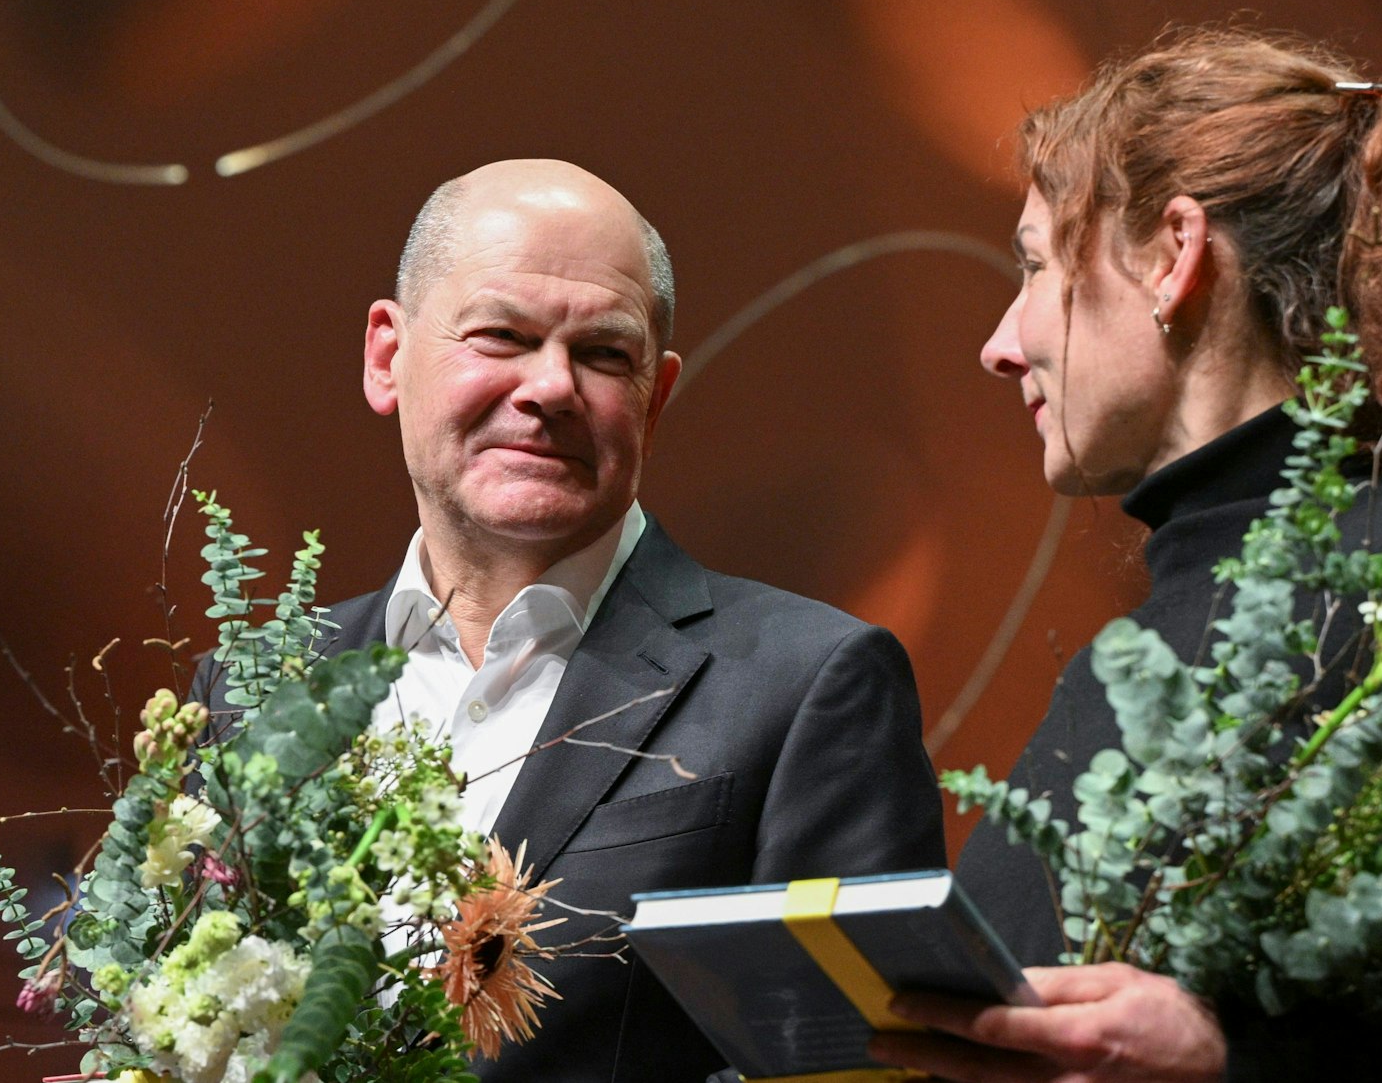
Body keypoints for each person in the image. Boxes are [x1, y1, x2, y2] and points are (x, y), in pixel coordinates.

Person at [867, 30, 1382, 1082]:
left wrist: (1229, 1060)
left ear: (1171, 254)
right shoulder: (1131, 649)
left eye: (1034, 265)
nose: (999, 344)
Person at [198, 159, 945, 1082]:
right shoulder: (253, 688)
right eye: (502, 335)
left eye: (603, 354)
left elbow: (838, 1073)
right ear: (387, 356)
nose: (552, 386)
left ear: (655, 396)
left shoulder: (808, 682)